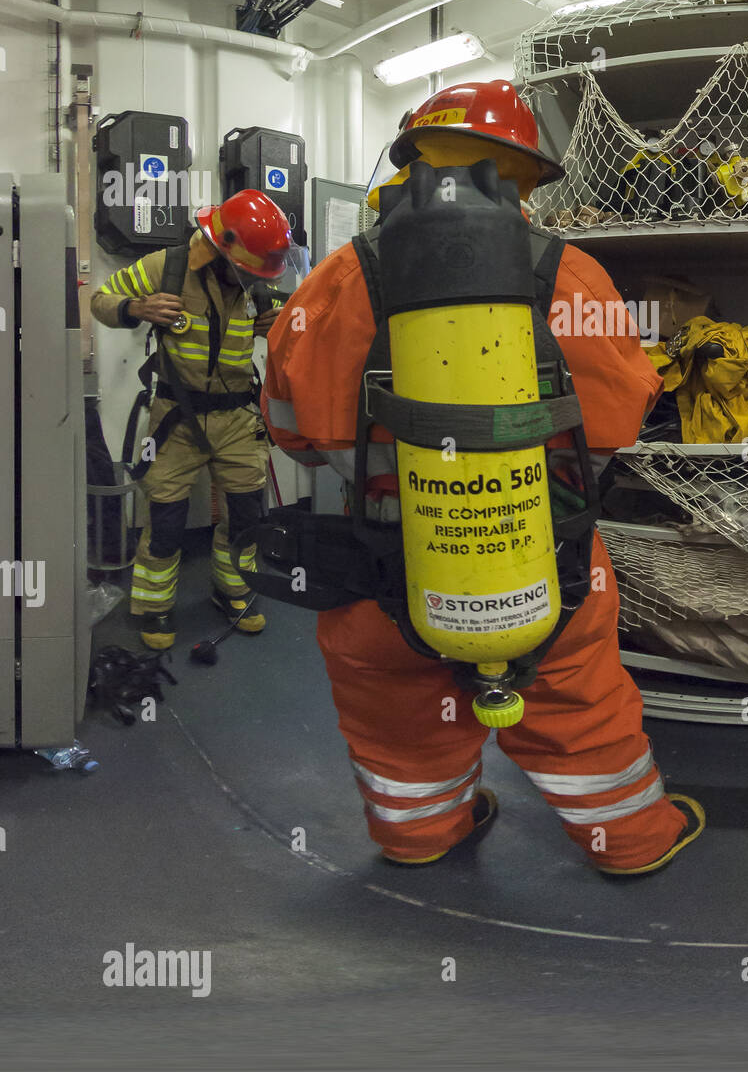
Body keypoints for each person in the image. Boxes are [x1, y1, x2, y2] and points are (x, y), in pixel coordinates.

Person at [264, 79, 705, 872]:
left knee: (397, 723)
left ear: (408, 159)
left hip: (376, 573)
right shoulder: (572, 277)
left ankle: (421, 837)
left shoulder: (326, 285)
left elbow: (287, 431)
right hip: (548, 563)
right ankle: (631, 844)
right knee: (579, 711)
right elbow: (628, 412)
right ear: (525, 176)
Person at [92, 191, 296, 650]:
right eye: (246, 268)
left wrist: (278, 321)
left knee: (247, 515)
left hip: (238, 418)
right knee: (165, 521)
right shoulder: (167, 266)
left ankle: (233, 590)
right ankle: (154, 606)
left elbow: (295, 313)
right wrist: (137, 309)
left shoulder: (262, 277)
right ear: (221, 247)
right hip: (175, 419)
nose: (250, 278)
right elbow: (101, 299)